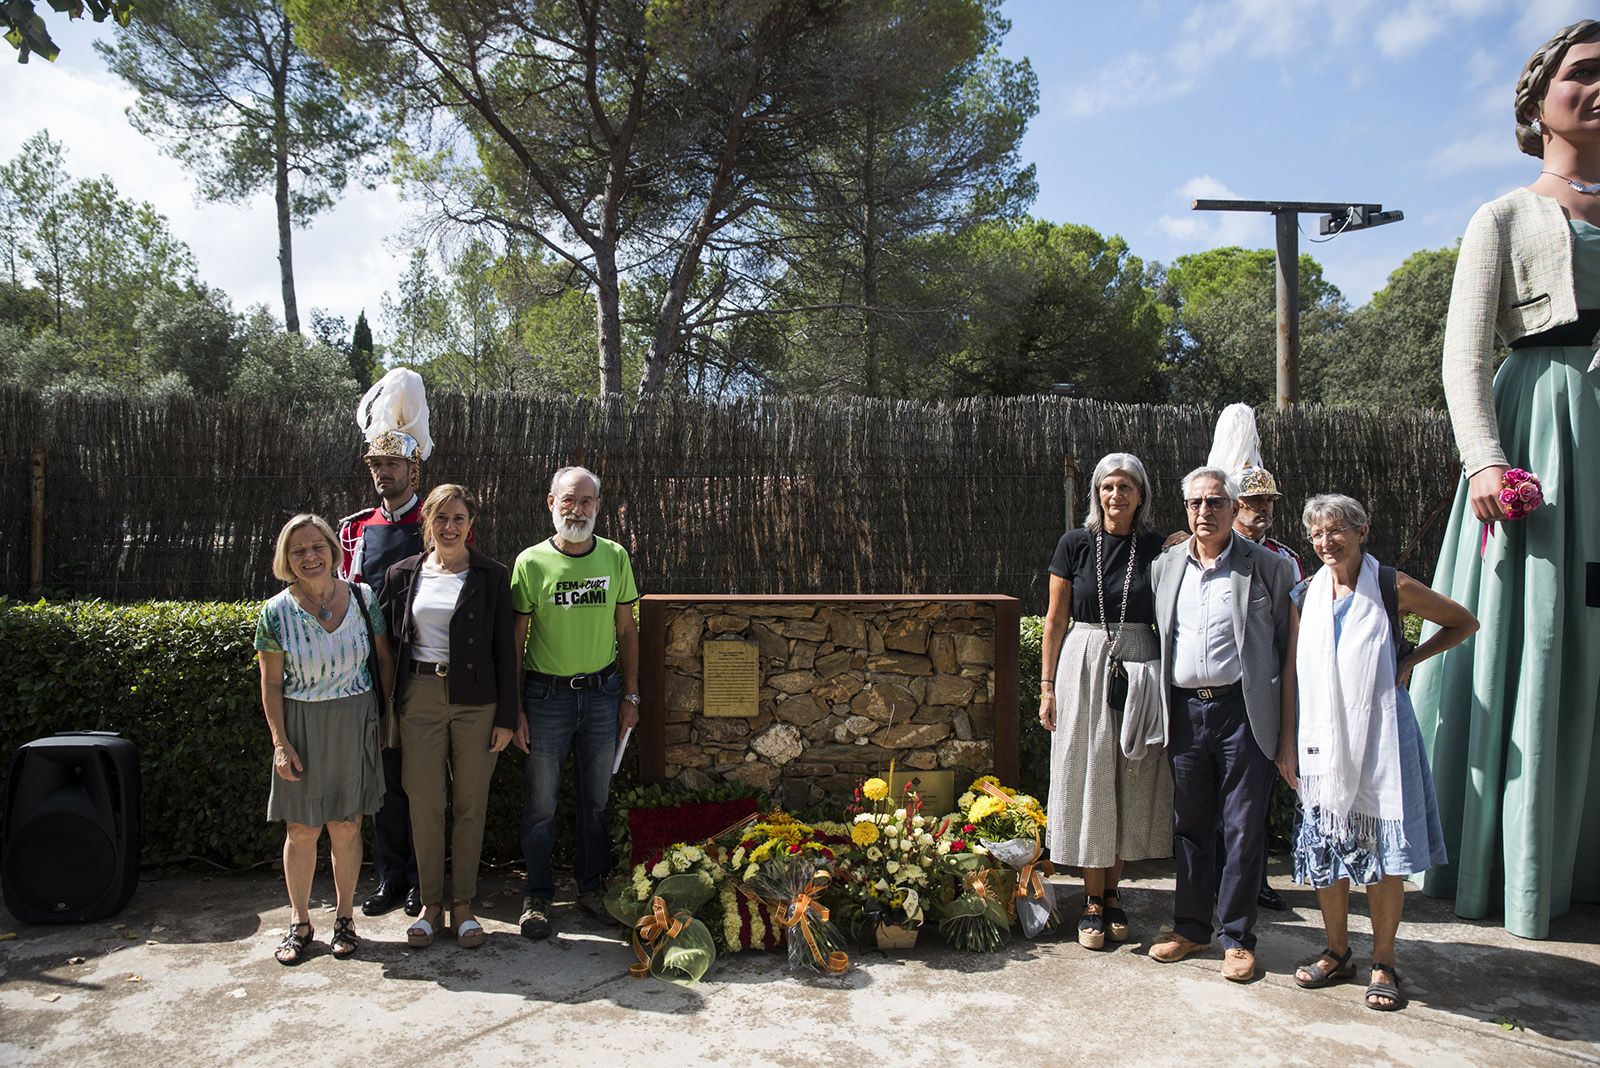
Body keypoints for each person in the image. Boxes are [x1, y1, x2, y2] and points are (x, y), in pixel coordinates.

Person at [1411, 18, 1600, 941]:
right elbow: (1461, 355)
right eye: (1584, 74)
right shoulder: (1506, 215)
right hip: (1546, 436)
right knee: (1546, 632)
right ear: (1537, 101)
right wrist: (1485, 457)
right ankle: (1514, 864)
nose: (1599, 89)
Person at [1286, 495, 1477, 1010]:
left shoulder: (1392, 585)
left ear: (1362, 530)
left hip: (1383, 738)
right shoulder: (1304, 594)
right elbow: (1291, 677)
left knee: (1381, 852)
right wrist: (1288, 746)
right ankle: (1337, 950)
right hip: (1323, 743)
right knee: (1327, 848)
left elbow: (1463, 622)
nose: (1326, 542)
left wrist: (1411, 658)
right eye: (1317, 534)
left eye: (1336, 531)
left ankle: (1384, 961)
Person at [1148, 466, 1296, 982]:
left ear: (1235, 509)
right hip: (1185, 712)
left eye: (1215, 503)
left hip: (1243, 714)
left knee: (1242, 827)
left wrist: (1288, 731)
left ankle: (1237, 937)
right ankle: (1190, 929)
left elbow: (1285, 651)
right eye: (1195, 504)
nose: (1204, 512)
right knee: (1190, 826)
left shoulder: (1270, 568)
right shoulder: (1165, 567)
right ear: (1185, 509)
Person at [1039, 453, 1172, 949]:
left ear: (1141, 495)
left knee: (1128, 775)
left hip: (1140, 665)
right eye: (1108, 487)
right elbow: (1054, 621)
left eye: (1126, 487)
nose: (1116, 496)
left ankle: (1114, 893)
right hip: (1085, 660)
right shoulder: (1074, 544)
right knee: (1090, 772)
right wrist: (1047, 686)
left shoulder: (1160, 548)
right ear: (1097, 493)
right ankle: (1092, 900)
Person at [379, 485, 518, 949]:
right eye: (441, 518)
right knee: (424, 801)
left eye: (458, 518)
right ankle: (430, 907)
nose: (450, 527)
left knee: (469, 803)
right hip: (419, 695)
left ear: (470, 523)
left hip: (476, 701)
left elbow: (506, 649)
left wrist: (507, 715)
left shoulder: (492, 575)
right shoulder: (403, 574)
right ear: (428, 523)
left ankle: (463, 906)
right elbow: (386, 645)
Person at [256, 514, 393, 964]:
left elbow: (384, 658)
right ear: (286, 560)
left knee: (347, 825)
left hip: (354, 718)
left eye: (318, 547)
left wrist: (388, 714)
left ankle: (345, 919)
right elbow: (271, 684)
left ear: (334, 551)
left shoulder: (362, 597)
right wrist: (280, 741)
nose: (310, 556)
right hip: (301, 724)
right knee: (301, 828)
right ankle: (299, 923)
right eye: (299, 551)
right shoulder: (274, 612)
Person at [513, 466, 641, 940]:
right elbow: (516, 641)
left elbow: (627, 630)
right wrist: (515, 708)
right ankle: (539, 896)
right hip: (546, 698)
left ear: (598, 508)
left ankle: (591, 889)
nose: (577, 509)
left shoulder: (615, 557)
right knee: (541, 803)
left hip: (604, 696)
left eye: (586, 501)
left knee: (596, 801)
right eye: (569, 500)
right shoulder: (530, 563)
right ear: (551, 503)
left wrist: (630, 694)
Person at [339, 369, 434, 920]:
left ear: (412, 466)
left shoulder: (437, 522)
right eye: (376, 465)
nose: (383, 474)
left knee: (421, 781)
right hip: (368, 672)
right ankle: (390, 876)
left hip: (422, 669)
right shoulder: (353, 528)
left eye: (392, 464)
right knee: (382, 782)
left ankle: (423, 877)